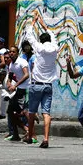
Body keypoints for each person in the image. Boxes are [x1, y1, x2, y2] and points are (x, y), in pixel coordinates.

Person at [23, 12, 59, 149]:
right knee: (46, 113)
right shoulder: (55, 48)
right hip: (48, 86)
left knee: (32, 112)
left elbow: (29, 35)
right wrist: (44, 24)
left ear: (42, 40)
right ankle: (46, 138)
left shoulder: (39, 48)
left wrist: (33, 22)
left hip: (36, 84)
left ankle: (30, 135)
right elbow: (53, 36)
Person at [4, 46, 30, 142]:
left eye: (13, 52)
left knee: (26, 112)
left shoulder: (22, 62)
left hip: (26, 89)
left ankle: (32, 134)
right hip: (19, 90)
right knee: (10, 110)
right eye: (10, 52)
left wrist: (16, 85)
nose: (11, 53)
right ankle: (17, 134)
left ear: (17, 53)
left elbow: (26, 75)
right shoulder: (11, 64)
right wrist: (9, 83)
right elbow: (10, 76)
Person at [0, 37, 9, 120]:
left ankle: (3, 113)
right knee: (4, 91)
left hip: (4, 73)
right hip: (6, 73)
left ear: (2, 44)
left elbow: (3, 62)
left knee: (4, 92)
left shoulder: (1, 52)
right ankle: (3, 112)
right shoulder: (5, 50)